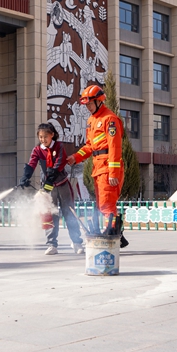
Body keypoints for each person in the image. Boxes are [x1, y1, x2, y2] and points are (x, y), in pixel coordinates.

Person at [66, 84, 128, 247]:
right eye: (86, 104)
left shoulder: (110, 119)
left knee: (107, 204)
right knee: (102, 204)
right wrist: (75, 157)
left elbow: (115, 147)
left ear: (99, 101)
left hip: (107, 168)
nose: (88, 107)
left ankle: (112, 234)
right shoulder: (92, 120)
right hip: (98, 167)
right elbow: (89, 146)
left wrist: (113, 172)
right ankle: (117, 236)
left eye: (90, 104)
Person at [19, 123, 84, 255]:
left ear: (52, 135)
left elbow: (58, 164)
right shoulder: (37, 150)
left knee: (69, 212)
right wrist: (25, 177)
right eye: (40, 137)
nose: (43, 139)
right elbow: (32, 164)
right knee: (49, 214)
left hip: (62, 184)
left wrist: (49, 180)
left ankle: (76, 242)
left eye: (45, 137)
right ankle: (51, 244)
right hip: (48, 186)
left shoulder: (59, 146)